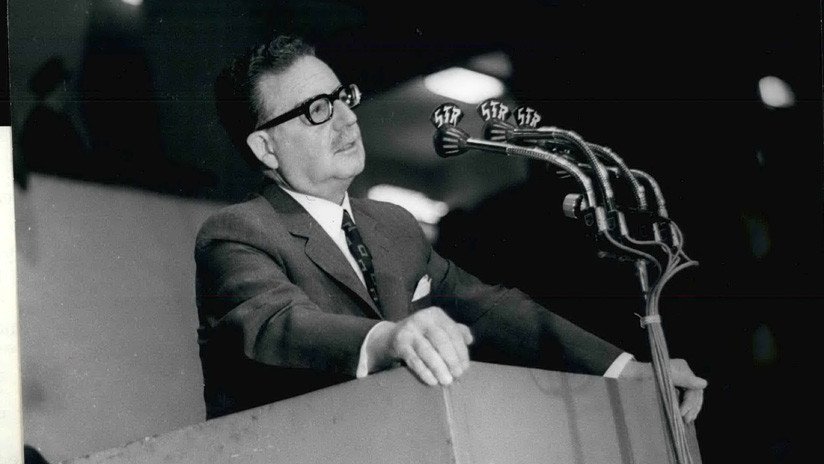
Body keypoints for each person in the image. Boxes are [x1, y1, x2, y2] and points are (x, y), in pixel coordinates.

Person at [196, 33, 706, 420]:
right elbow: (277, 324)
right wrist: (389, 339)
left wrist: (628, 370)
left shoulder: (393, 225)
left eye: (343, 97)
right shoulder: (237, 232)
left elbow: (490, 308)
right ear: (266, 147)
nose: (348, 119)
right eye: (317, 110)